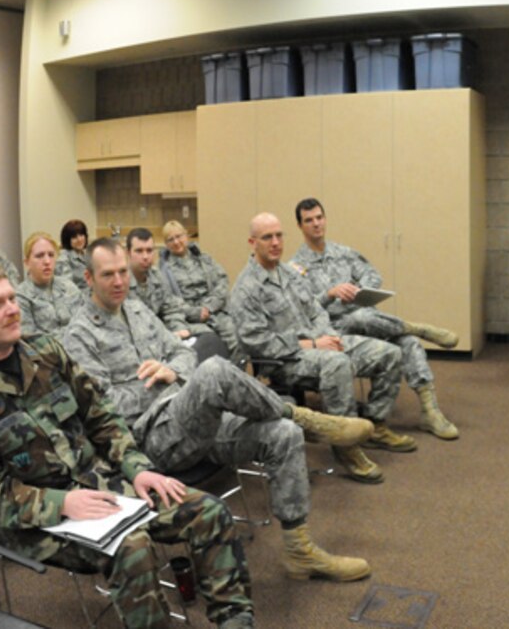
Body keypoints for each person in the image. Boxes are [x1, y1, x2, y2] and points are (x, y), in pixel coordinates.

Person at [0, 260, 255, 628]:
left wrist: (138, 467)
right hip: (39, 519)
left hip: (103, 485)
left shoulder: (46, 351)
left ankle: (235, 621)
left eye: (12, 299)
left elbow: (101, 416)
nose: (12, 309)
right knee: (133, 547)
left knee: (208, 512)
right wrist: (62, 502)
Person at [62, 238, 376, 583]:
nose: (120, 281)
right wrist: (163, 383)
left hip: (192, 419)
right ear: (89, 278)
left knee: (282, 434)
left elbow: (182, 353)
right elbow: (103, 407)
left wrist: (173, 372)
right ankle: (306, 418)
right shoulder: (78, 335)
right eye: (108, 274)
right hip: (149, 439)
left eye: (123, 272)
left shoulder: (137, 310)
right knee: (213, 371)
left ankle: (299, 549)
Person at [230, 213, 414, 484]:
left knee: (389, 354)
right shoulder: (246, 288)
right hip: (286, 361)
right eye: (267, 237)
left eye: (279, 235)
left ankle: (375, 426)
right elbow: (256, 342)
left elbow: (316, 311)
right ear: (252, 242)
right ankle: (347, 445)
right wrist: (313, 344)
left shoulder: (289, 274)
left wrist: (328, 337)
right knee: (336, 365)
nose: (275, 242)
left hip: (322, 343)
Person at [291, 198, 459, 440]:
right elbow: (303, 311)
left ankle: (429, 411)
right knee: (361, 316)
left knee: (408, 342)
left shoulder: (343, 253)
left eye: (319, 217)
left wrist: (359, 291)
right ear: (300, 226)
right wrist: (330, 294)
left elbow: (372, 275)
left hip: (368, 319)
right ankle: (414, 326)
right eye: (309, 220)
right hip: (334, 329)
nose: (316, 224)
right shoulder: (295, 268)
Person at [126, 227, 228, 362]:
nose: (145, 256)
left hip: (164, 331)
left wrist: (180, 330)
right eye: (139, 251)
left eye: (149, 251)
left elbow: (170, 309)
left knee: (209, 337)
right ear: (128, 253)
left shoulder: (156, 276)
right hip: (135, 341)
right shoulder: (120, 283)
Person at [158, 221, 241, 358]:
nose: (176, 242)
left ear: (187, 236)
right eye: (170, 239)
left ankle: (233, 374)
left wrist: (209, 307)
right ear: (166, 245)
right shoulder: (163, 271)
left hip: (214, 311)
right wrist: (196, 312)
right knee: (210, 344)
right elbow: (169, 301)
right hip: (189, 319)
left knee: (235, 337)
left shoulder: (204, 259)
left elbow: (222, 282)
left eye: (179, 236)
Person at [15, 231, 85, 340]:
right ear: (27, 262)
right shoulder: (20, 297)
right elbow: (31, 342)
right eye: (39, 256)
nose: (47, 261)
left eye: (51, 255)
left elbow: (87, 324)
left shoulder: (69, 287)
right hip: (49, 356)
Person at [56, 219, 90, 291]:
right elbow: (66, 286)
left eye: (81, 235)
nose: (79, 239)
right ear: (67, 240)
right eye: (74, 237)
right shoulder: (63, 258)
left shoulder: (85, 254)